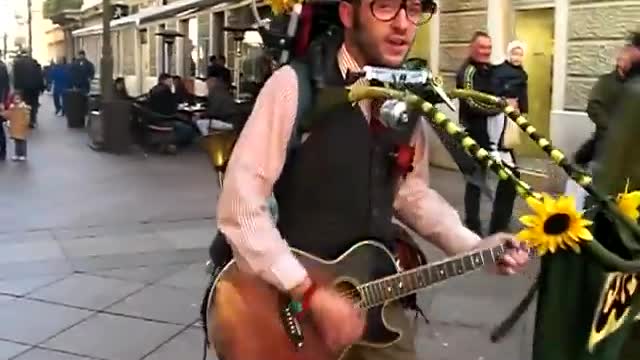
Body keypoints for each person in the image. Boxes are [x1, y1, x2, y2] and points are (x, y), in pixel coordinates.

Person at [216, 2, 531, 360]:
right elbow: (241, 207)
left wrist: (474, 246)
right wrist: (306, 291)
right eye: (384, 6)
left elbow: (410, 194)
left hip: (375, 296)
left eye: (413, 10)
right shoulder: (293, 86)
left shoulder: (406, 99)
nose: (402, 25)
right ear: (349, 14)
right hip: (286, 308)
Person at [456, 31, 517, 236]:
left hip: (496, 137)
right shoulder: (467, 72)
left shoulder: (489, 70)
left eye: (489, 48)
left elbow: (503, 89)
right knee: (475, 181)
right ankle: (473, 226)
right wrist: (499, 107)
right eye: (482, 47)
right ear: (471, 48)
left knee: (510, 176)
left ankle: (498, 225)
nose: (486, 52)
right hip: (475, 135)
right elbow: (471, 103)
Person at [148, 73, 198, 148]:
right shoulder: (165, 91)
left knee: (186, 121)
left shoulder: (154, 90)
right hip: (164, 119)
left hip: (156, 118)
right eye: (170, 81)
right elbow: (172, 107)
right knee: (188, 128)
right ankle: (173, 143)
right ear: (165, 81)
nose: (171, 84)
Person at [12, 52, 44, 128]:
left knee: (25, 103)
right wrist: (41, 88)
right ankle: (33, 120)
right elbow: (39, 75)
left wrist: (16, 88)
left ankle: (26, 120)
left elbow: (16, 77)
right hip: (34, 87)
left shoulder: (18, 64)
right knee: (34, 103)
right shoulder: (34, 62)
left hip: (23, 88)